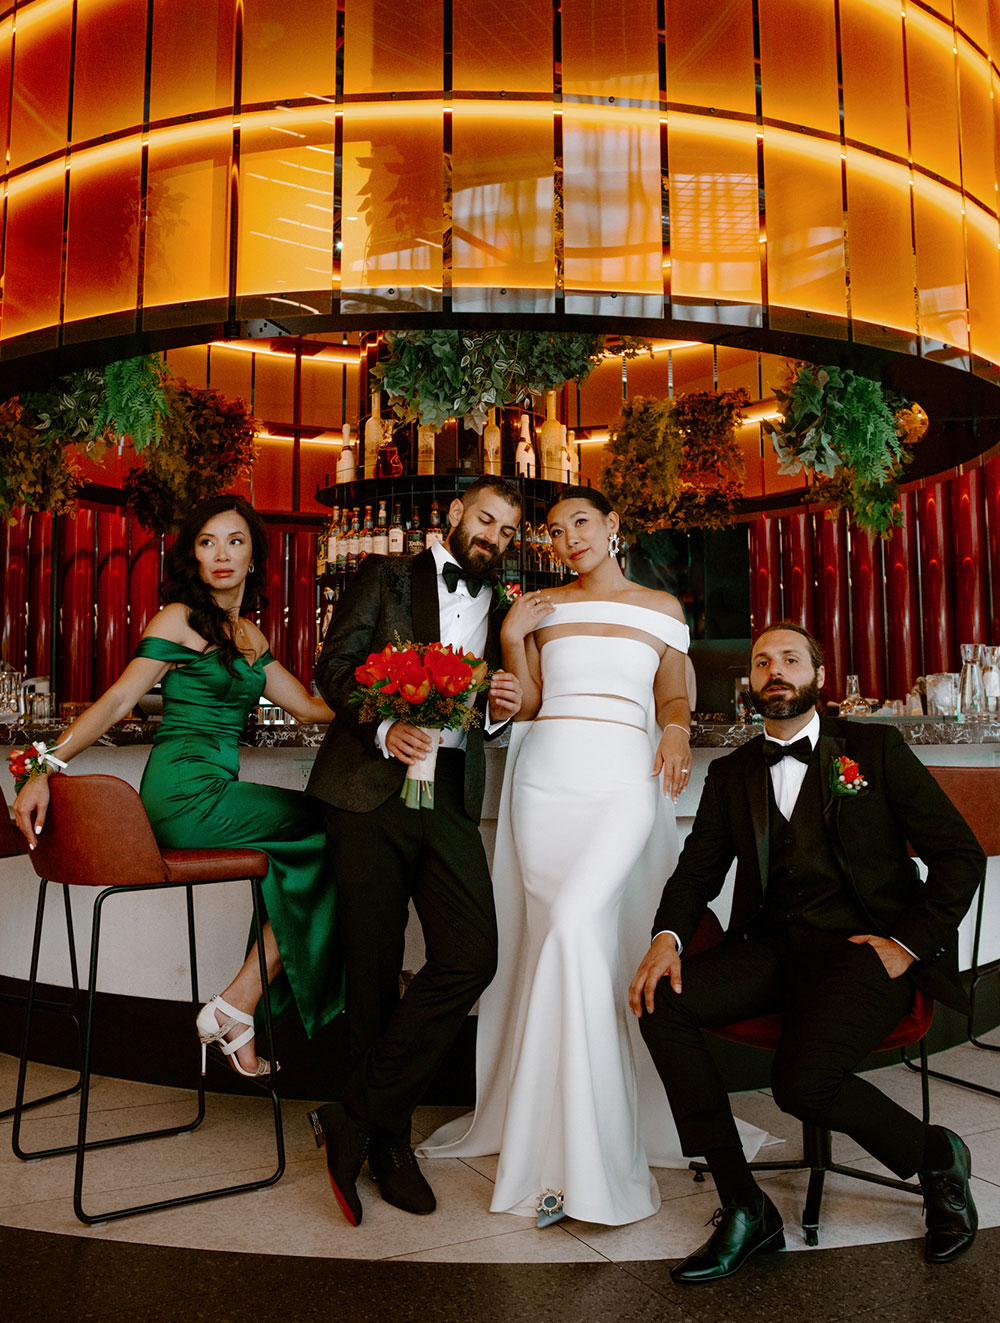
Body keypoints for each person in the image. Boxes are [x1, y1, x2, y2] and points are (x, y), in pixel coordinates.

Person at [421, 486, 764, 1226]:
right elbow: (531, 704)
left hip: (624, 781)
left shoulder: (662, 608)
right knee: (563, 940)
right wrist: (513, 639)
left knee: (580, 926)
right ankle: (557, 1143)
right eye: (554, 528)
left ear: (613, 523)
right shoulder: (539, 607)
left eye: (581, 520)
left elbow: (675, 698)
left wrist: (674, 731)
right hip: (546, 781)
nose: (568, 535)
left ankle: (603, 1152)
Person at [630, 621, 986, 1283]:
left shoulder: (874, 750)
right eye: (762, 659)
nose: (775, 668)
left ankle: (937, 1155)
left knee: (801, 1083)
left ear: (817, 675)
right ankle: (744, 1206)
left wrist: (908, 943)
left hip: (863, 952)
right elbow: (696, 874)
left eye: (790, 657)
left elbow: (960, 856)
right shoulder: (736, 772)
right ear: (751, 682)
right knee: (660, 1001)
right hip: (770, 948)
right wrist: (665, 938)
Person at [12, 494, 342, 1077]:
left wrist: (389, 698)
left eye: (235, 541)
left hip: (219, 795)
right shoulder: (178, 619)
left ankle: (238, 1005)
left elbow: (313, 711)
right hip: (183, 796)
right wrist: (44, 764)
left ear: (252, 555)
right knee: (343, 831)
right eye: (208, 541)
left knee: (336, 843)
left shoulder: (250, 636)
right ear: (193, 553)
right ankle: (240, 1003)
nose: (222, 554)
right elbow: (117, 698)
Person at [306, 475, 524, 1226]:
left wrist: (501, 710)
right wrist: (380, 728)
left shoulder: (507, 607)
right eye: (486, 518)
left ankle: (355, 1112)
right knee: (370, 968)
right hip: (371, 786)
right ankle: (389, 1142)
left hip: (451, 792)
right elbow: (333, 668)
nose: (493, 536)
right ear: (457, 513)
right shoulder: (384, 574)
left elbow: (500, 701)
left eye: (506, 529)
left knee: (473, 954)